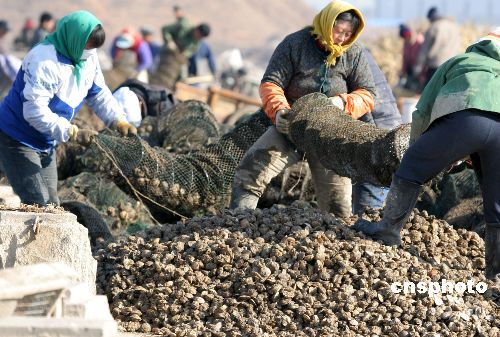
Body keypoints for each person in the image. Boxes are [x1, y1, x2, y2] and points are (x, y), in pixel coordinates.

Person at [354, 28, 500, 280]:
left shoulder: (460, 61)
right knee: (496, 202)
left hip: (465, 121)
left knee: (411, 169)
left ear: (478, 46)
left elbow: (424, 109)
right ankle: (496, 272)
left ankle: (387, 230)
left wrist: (417, 149)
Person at [230, 0, 376, 218]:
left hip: (330, 133)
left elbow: (367, 94)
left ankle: (337, 243)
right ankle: (236, 223)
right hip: (292, 127)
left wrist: (342, 103)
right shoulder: (295, 44)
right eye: (338, 31)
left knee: (337, 203)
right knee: (250, 172)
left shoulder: (353, 53)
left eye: (348, 34)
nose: (342, 38)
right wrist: (279, 111)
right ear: (327, 24)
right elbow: (271, 83)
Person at [0, 10, 137, 206]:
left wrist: (118, 119)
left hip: (46, 141)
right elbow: (34, 111)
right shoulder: (45, 60)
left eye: (94, 48)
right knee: (38, 203)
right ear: (74, 38)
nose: (90, 53)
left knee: (52, 204)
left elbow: (98, 93)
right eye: (87, 47)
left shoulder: (87, 57)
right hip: (17, 137)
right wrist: (70, 132)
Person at [352, 48, 402, 214]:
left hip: (378, 138)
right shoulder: (358, 50)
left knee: (368, 214)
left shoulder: (347, 55)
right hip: (392, 130)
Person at [151, 17, 211, 89]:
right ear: (197, 29)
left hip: (178, 58)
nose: (198, 38)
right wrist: (170, 41)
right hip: (167, 52)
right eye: (199, 35)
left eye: (201, 37)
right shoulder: (184, 26)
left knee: (182, 76)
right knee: (158, 72)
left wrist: (183, 55)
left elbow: (190, 52)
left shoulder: (197, 41)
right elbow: (165, 29)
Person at [414, 7, 460, 89]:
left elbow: (424, 50)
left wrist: (418, 67)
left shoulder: (433, 28)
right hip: (452, 65)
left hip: (436, 66)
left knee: (431, 93)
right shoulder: (454, 26)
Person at [398, 24, 424, 92]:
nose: (405, 39)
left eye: (406, 36)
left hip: (421, 69)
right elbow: (405, 59)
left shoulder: (420, 41)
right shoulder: (406, 44)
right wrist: (403, 72)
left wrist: (420, 69)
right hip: (412, 69)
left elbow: (425, 56)